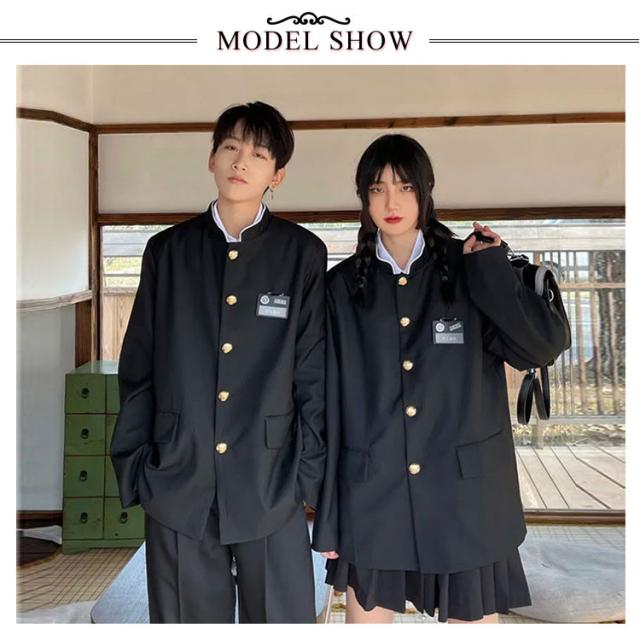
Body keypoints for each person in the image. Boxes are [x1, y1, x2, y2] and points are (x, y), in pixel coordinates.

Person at [312, 133, 570, 623]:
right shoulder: (341, 287)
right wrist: (328, 513)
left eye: (405, 187)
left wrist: (490, 268)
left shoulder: (469, 265)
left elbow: (541, 348)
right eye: (377, 189)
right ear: (363, 197)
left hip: (465, 493)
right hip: (373, 492)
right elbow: (328, 401)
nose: (391, 202)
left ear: (426, 191)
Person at [110, 101, 327, 623]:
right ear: (211, 158)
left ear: (277, 176)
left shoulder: (302, 253)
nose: (240, 161)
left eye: (258, 154)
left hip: (271, 481)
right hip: (178, 480)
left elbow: (313, 375)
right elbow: (138, 367)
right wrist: (139, 467)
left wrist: (307, 475)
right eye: (230, 146)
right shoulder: (168, 251)